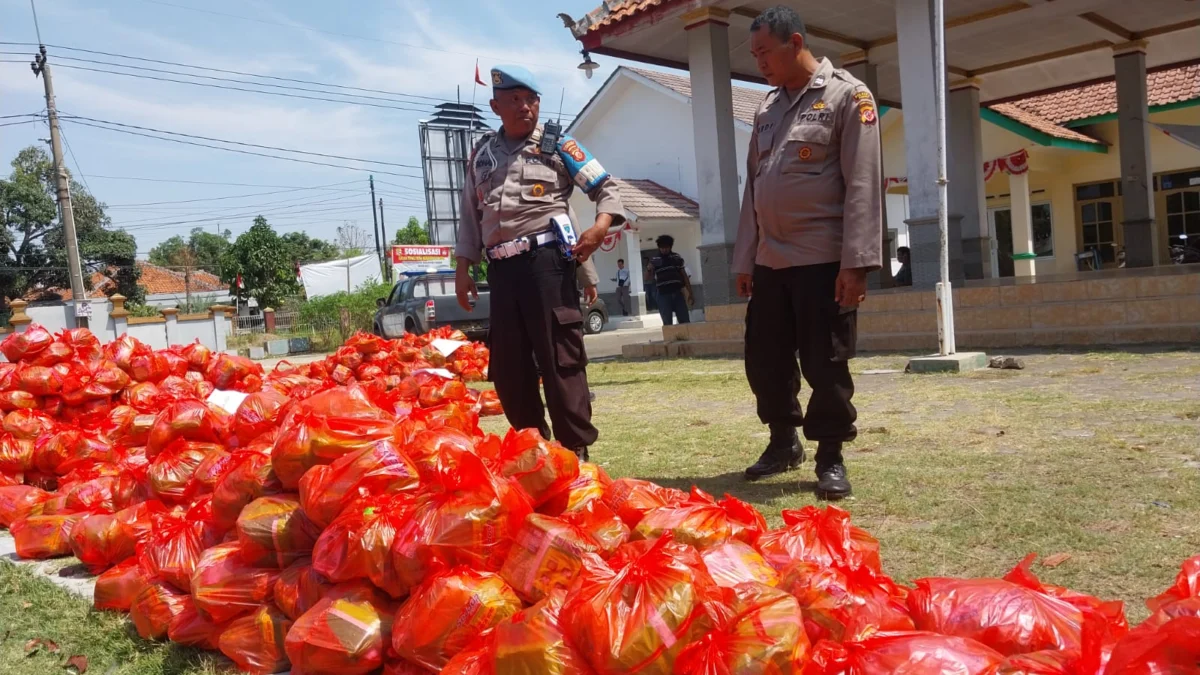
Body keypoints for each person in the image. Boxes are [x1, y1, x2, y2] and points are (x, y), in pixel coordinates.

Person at [734, 6, 882, 499]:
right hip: (771, 262)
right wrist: (744, 259)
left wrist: (856, 264)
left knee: (825, 363)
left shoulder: (848, 96)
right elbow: (753, 188)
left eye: (764, 52)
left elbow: (863, 183)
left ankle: (830, 456)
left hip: (823, 261)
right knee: (766, 360)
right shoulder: (767, 109)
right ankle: (783, 442)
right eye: (753, 54)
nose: (759, 62)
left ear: (794, 42)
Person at [455, 65, 624, 460]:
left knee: (559, 360)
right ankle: (536, 450)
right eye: (514, 100)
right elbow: (469, 218)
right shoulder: (481, 155)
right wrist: (464, 268)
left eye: (531, 99)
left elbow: (606, 188)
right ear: (496, 106)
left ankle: (575, 450)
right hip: (501, 272)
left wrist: (600, 228)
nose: (524, 107)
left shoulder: (558, 145)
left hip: (547, 264)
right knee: (510, 370)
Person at [646, 235, 693, 326]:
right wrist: (648, 269)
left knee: (684, 320)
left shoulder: (676, 258)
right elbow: (648, 278)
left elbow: (684, 276)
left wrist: (690, 293)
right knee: (667, 322)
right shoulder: (655, 260)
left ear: (670, 247)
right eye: (662, 248)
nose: (664, 250)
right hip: (663, 294)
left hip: (677, 293)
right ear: (659, 248)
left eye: (666, 247)